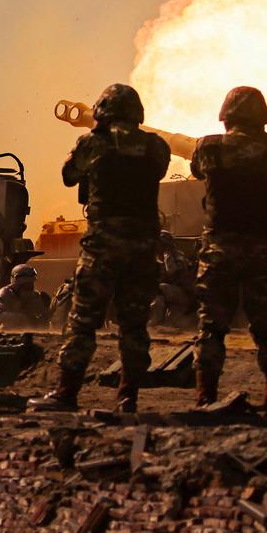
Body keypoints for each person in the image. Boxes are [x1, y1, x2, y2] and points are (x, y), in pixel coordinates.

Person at [32, 85, 171, 413]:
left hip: (102, 246)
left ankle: (66, 393)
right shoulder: (156, 147)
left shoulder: (93, 143)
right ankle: (128, 397)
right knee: (134, 324)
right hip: (142, 247)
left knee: (82, 322)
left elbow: (69, 175)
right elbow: (159, 171)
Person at [188, 86, 267, 414]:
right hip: (262, 247)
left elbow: (197, 170)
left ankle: (205, 397)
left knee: (211, 326)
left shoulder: (209, 147)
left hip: (219, 246)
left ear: (227, 116)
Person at [0, 262, 51, 328]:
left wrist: (45, 313)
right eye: (25, 284)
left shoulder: (36, 296)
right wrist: (25, 318)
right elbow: (1, 315)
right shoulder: (5, 294)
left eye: (30, 283)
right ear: (16, 283)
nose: (28, 287)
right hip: (8, 333)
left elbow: (44, 317)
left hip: (32, 334)